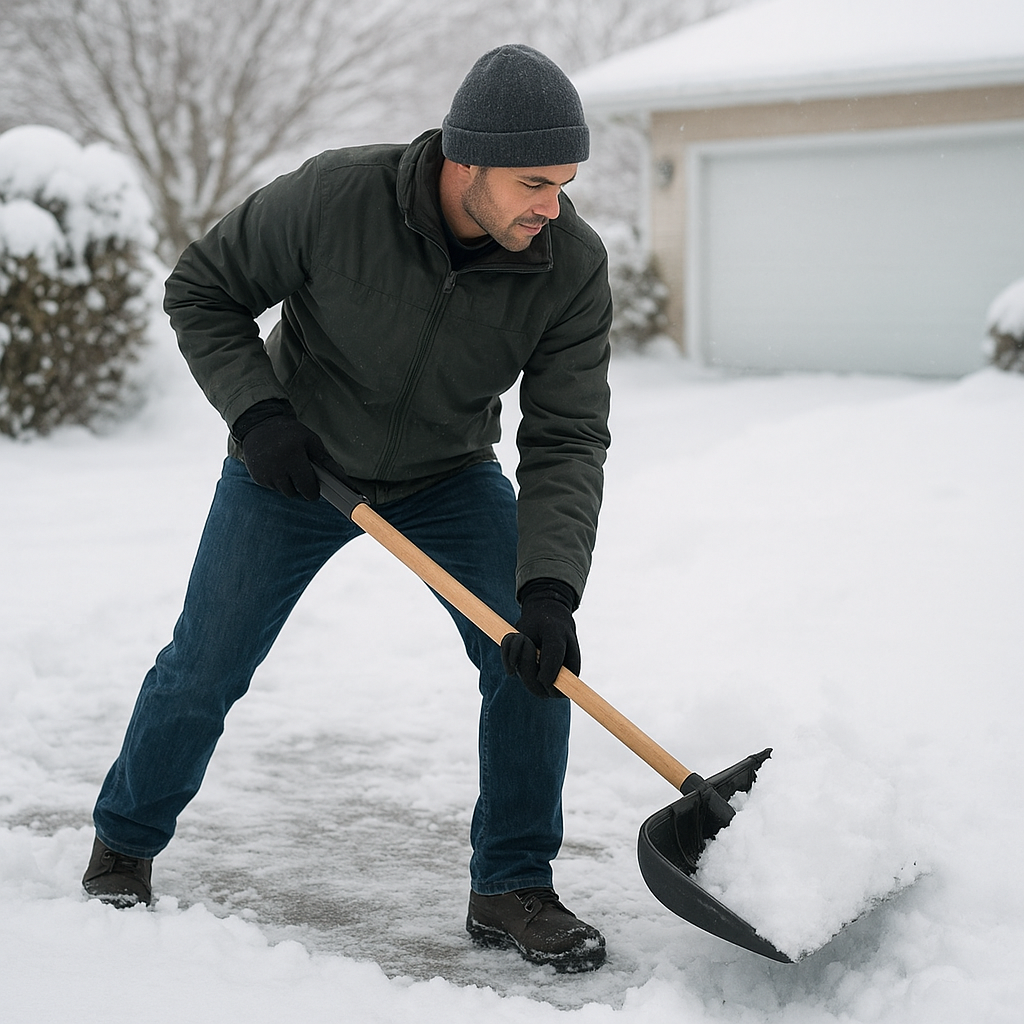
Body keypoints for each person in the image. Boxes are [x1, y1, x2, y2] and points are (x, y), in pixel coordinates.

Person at [81, 43, 612, 973]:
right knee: (206, 662)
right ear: (466, 160)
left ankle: (513, 887)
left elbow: (566, 435)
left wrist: (551, 587)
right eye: (534, 182)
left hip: (448, 475)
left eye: (564, 184)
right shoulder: (335, 199)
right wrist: (259, 415)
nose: (551, 207)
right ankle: (123, 843)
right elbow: (202, 289)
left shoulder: (568, 264)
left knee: (530, 664)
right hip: (295, 466)